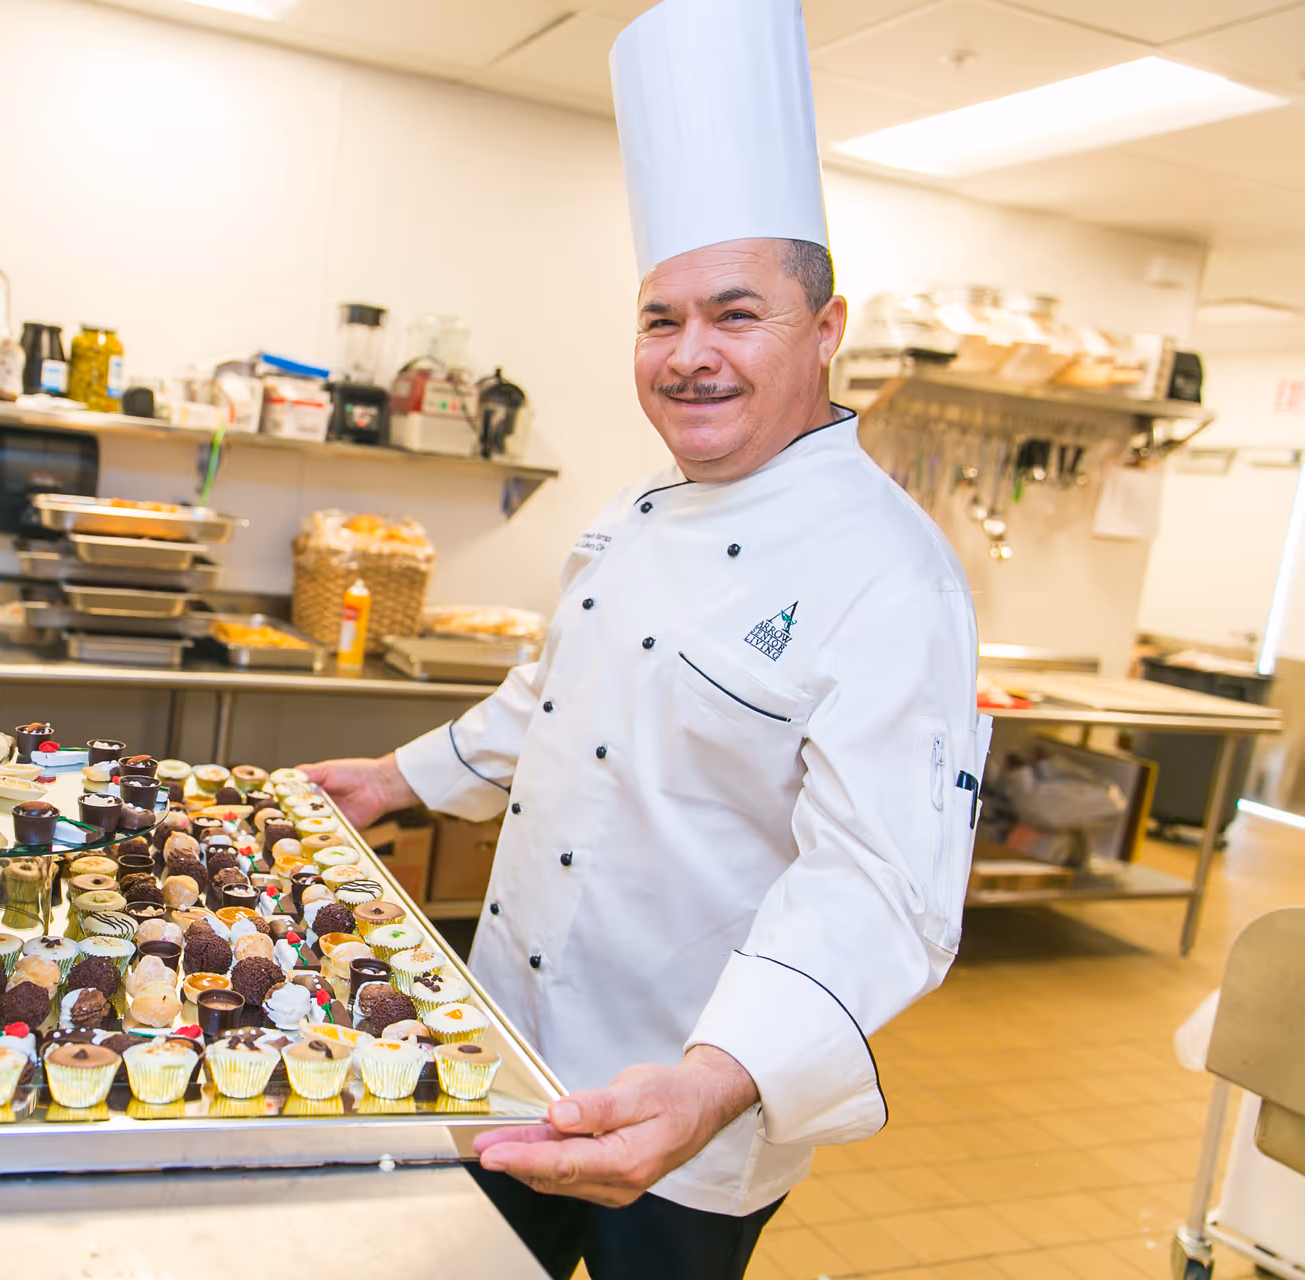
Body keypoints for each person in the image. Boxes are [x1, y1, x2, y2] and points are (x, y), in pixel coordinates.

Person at [302, 2, 992, 1277]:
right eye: (660, 319)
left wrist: (715, 1083)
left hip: (690, 1105)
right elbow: (548, 698)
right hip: (507, 1036)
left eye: (736, 314)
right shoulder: (633, 512)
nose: (689, 356)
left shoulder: (896, 579)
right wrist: (392, 784)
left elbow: (881, 887)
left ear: (826, 332)